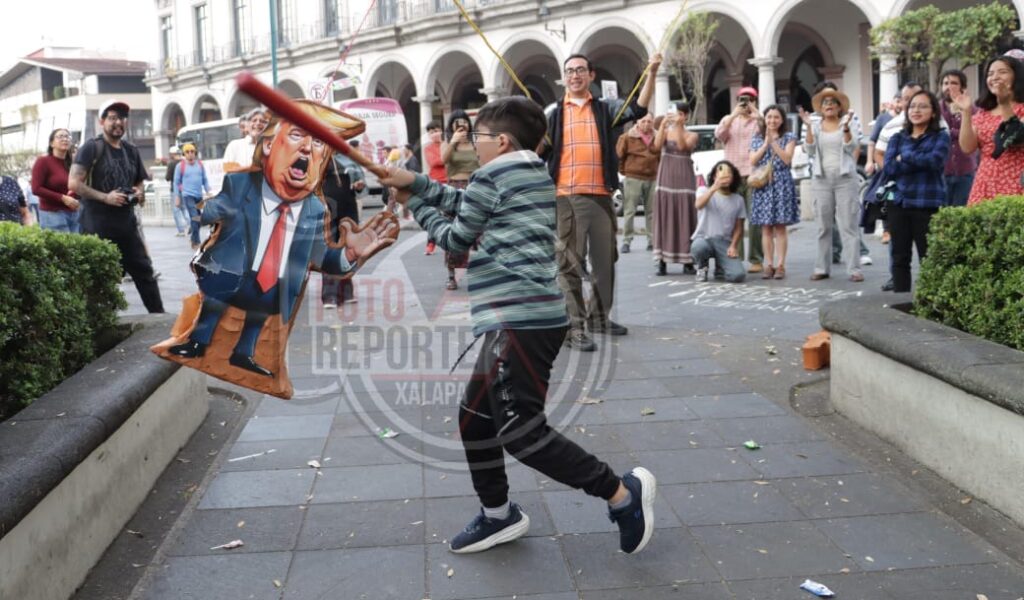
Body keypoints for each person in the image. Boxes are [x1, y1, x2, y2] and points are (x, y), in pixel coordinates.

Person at [381, 95, 656, 557]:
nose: (473, 143)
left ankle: (622, 495)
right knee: (475, 419)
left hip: (518, 321)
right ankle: (498, 515)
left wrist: (415, 204)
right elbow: (465, 201)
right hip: (526, 319)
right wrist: (418, 183)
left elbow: (456, 238)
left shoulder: (492, 175)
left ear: (502, 141)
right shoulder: (530, 172)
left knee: (522, 433)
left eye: (479, 136)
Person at [166, 100, 398, 377]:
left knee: (263, 303)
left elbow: (321, 257)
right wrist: (201, 212)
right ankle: (197, 341)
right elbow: (215, 209)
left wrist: (350, 253)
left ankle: (244, 353)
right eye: (297, 135)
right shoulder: (240, 184)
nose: (307, 148)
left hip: (273, 286)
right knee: (217, 301)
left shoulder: (314, 209)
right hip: (231, 274)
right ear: (268, 146)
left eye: (318, 143)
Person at [544, 52, 661, 351]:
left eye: (580, 70)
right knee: (570, 264)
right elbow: (538, 149)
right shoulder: (553, 114)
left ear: (591, 75)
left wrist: (651, 72)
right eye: (570, 71)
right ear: (564, 78)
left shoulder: (605, 108)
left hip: (601, 195)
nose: (575, 75)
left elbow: (637, 107)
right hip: (566, 197)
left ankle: (598, 317)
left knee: (606, 261)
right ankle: (573, 327)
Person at [69, 100, 164, 313]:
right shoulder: (91, 148)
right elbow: (73, 183)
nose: (118, 122)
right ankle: (100, 322)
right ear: (102, 121)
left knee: (144, 271)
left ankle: (159, 317)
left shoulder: (131, 150)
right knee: (100, 278)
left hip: (126, 225)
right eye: (112, 118)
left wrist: (138, 192)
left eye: (122, 118)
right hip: (96, 226)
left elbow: (139, 181)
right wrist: (106, 197)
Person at [882, 90, 950, 293]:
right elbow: (889, 168)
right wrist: (917, 159)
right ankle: (900, 300)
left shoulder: (941, 137)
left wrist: (905, 157)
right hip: (899, 202)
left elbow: (934, 162)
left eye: (922, 106)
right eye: (912, 106)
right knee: (899, 257)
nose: (916, 110)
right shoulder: (897, 137)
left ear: (934, 112)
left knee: (928, 257)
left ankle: (930, 300)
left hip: (927, 203)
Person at [800, 87, 864, 282]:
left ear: (839, 107)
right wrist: (808, 127)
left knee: (848, 225)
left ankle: (854, 269)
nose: (829, 105)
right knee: (823, 227)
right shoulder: (815, 125)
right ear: (820, 108)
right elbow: (809, 149)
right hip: (821, 179)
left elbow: (852, 146)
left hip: (845, 180)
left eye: (832, 102)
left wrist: (846, 128)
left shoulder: (848, 122)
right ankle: (821, 268)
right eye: (825, 103)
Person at [953, 55, 1024, 205]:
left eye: (1002, 72)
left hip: (1016, 181)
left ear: (1017, 76)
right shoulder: (983, 114)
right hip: (984, 183)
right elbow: (967, 147)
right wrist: (966, 112)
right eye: (990, 74)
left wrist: (1005, 104)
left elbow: (1013, 139)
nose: (995, 77)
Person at [715, 86, 763, 273]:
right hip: (733, 176)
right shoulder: (728, 119)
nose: (745, 103)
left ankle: (756, 259)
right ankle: (735, 256)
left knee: (755, 219)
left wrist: (755, 111)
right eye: (742, 99)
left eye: (750, 99)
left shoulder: (758, 120)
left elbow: (766, 131)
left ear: (755, 101)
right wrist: (734, 115)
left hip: (753, 175)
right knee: (733, 219)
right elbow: (720, 135)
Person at [749, 105, 799, 280]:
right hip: (763, 185)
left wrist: (773, 143)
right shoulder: (757, 138)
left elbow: (787, 159)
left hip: (781, 183)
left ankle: (781, 265)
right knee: (766, 228)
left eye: (776, 117)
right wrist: (765, 144)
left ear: (782, 120)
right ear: (764, 119)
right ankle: (768, 264)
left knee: (780, 227)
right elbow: (753, 160)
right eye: (769, 117)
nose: (772, 120)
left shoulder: (789, 137)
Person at [651, 103, 698, 275]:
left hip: (685, 180)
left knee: (686, 217)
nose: (675, 116)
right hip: (666, 179)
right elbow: (656, 147)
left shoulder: (692, 134)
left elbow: (682, 146)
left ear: (685, 116)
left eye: (679, 114)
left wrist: (678, 125)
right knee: (664, 217)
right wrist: (663, 125)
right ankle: (661, 260)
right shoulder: (665, 132)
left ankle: (687, 260)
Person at [441, 110, 480, 290]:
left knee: (479, 233)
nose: (461, 125)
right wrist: (453, 141)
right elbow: (443, 159)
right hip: (454, 189)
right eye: (457, 122)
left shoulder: (475, 142)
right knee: (454, 233)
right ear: (451, 126)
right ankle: (451, 276)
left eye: (464, 121)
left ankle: (482, 273)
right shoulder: (447, 142)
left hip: (475, 188)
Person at [691, 161, 747, 284]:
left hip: (724, 242)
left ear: (733, 178)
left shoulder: (738, 200)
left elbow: (739, 227)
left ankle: (720, 269)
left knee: (737, 275)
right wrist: (713, 188)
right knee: (698, 247)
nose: (725, 176)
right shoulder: (703, 190)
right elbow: (698, 204)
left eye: (729, 173)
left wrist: (733, 246)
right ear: (714, 177)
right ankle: (702, 267)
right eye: (720, 173)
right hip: (704, 238)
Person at [321, 153, 361, 307]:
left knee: (347, 250)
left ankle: (346, 292)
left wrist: (359, 185)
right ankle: (329, 295)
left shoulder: (349, 158)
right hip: (326, 209)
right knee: (330, 250)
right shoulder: (317, 156)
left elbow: (360, 182)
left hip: (348, 209)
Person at [615, 113, 659, 254]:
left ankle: (652, 240)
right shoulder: (627, 137)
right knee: (630, 210)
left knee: (651, 211)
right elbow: (619, 156)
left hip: (652, 177)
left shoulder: (658, 137)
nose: (646, 124)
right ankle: (626, 240)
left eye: (649, 121)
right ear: (637, 122)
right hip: (633, 176)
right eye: (643, 121)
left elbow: (660, 156)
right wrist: (625, 171)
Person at [938, 70, 980, 208]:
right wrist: (960, 132)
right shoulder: (935, 110)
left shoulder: (972, 110)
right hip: (940, 172)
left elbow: (976, 134)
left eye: (954, 83)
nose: (949, 87)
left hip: (965, 171)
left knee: (962, 213)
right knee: (939, 214)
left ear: (963, 87)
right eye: (945, 83)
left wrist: (950, 132)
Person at [31, 128, 80, 232]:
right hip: (52, 214)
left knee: (76, 243)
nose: (65, 139)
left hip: (74, 214)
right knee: (60, 243)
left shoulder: (72, 164)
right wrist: (62, 198)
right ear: (51, 143)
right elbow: (36, 188)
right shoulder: (43, 161)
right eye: (60, 136)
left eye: (67, 136)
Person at [172, 142, 212, 249]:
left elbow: (204, 179)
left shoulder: (200, 165)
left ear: (195, 153)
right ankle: (196, 242)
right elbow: (176, 182)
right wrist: (177, 197)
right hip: (187, 195)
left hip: (199, 196)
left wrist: (208, 191)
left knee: (198, 220)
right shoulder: (180, 166)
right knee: (194, 217)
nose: (190, 154)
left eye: (192, 151)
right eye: (187, 152)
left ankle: (193, 238)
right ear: (184, 154)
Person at [422, 120, 447, 256]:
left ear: (441, 130)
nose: (434, 134)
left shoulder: (447, 144)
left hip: (451, 182)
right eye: (431, 132)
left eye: (436, 131)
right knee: (435, 216)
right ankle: (430, 244)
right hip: (436, 184)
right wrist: (446, 157)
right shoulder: (428, 148)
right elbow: (435, 162)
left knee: (452, 216)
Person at [222, 107, 270, 173]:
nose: (258, 123)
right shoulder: (234, 145)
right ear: (247, 125)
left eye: (262, 121)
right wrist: (251, 168)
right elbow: (227, 168)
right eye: (254, 120)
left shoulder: (271, 148)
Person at [164, 146, 190, 236]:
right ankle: (190, 224)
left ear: (172, 154)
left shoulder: (172, 164)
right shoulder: (185, 162)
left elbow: (167, 177)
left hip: (175, 190)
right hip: (185, 189)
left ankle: (181, 230)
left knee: (176, 210)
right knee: (185, 208)